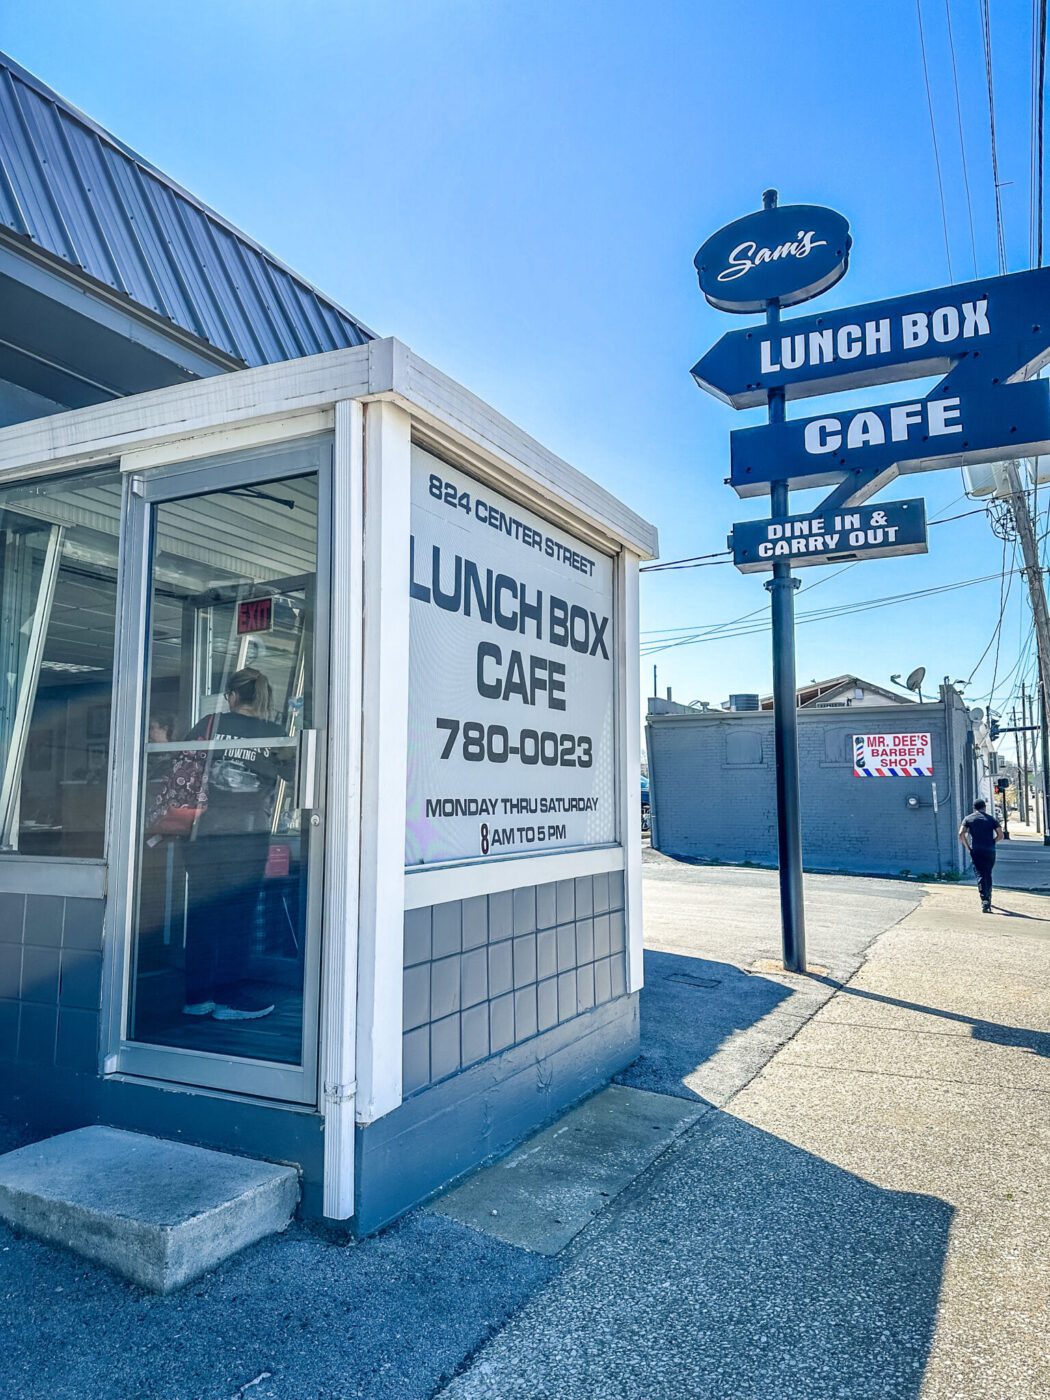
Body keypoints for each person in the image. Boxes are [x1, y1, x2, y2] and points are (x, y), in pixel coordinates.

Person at [179, 667, 294, 1020]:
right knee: (237, 919)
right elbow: (298, 775)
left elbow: (180, 764)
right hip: (245, 839)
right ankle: (229, 998)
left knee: (201, 915)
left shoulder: (209, 724)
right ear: (263, 699)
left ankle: (197, 996)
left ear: (231, 696)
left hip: (201, 835)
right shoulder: (274, 734)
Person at [959, 797, 1003, 914]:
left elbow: (961, 833)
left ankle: (985, 900)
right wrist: (993, 841)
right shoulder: (991, 819)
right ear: (984, 807)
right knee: (987, 873)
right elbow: (1000, 835)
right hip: (989, 850)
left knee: (980, 874)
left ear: (974, 808)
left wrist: (968, 847)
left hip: (976, 850)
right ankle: (988, 897)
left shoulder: (968, 819)